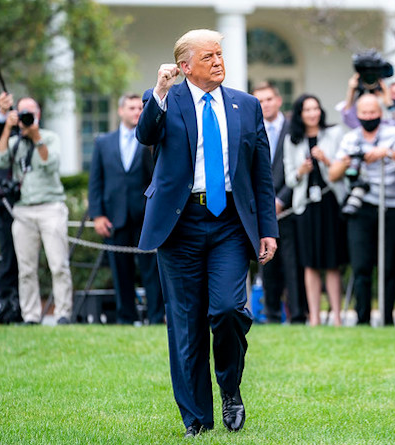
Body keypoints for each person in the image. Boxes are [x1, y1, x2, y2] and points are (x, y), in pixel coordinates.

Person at [135, 29, 278, 436]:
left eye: (220, 54)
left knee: (229, 310)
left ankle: (230, 389)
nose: (218, 61)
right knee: (186, 324)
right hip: (179, 226)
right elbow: (145, 135)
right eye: (208, 56)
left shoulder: (246, 106)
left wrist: (267, 229)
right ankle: (196, 418)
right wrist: (159, 91)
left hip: (230, 223)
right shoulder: (164, 100)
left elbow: (260, 174)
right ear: (184, 67)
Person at [329, 94, 395, 326]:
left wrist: (386, 153)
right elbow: (333, 174)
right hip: (360, 204)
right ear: (357, 115)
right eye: (363, 113)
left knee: (388, 266)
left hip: (391, 206)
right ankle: (362, 318)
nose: (368, 117)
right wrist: (346, 161)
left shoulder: (394, 135)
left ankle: (386, 319)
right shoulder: (351, 138)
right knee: (361, 265)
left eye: (372, 112)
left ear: (380, 113)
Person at [0, 96, 73, 325]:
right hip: (23, 210)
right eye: (22, 113)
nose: (26, 117)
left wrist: (36, 137)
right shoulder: (15, 141)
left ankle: (63, 314)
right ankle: (30, 316)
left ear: (38, 114)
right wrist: (8, 128)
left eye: (30, 113)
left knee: (58, 265)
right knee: (26, 269)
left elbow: (50, 163)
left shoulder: (49, 137)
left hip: (51, 208)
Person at [88, 93, 164, 325]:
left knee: (152, 271)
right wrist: (97, 215)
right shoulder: (103, 143)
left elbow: (158, 178)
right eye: (131, 108)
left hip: (145, 216)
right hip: (115, 217)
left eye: (139, 109)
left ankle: (156, 317)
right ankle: (125, 318)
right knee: (120, 272)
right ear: (120, 111)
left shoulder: (151, 140)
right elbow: (96, 181)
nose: (136, 112)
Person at [283, 94, 348, 326]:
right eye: (307, 110)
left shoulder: (334, 133)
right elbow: (290, 179)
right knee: (309, 263)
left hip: (330, 202)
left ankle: (338, 317)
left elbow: (343, 169)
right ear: (300, 114)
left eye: (316, 109)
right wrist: (301, 171)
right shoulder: (292, 140)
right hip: (305, 206)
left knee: (332, 261)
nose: (312, 113)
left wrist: (326, 160)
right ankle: (314, 317)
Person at [252, 82, 307, 324]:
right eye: (260, 101)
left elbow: (298, 167)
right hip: (261, 209)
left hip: (290, 206)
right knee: (267, 263)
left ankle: (296, 315)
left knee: (292, 263)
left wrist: (281, 199)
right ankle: (272, 314)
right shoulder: (251, 128)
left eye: (269, 99)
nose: (265, 104)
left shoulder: (292, 128)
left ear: (278, 101)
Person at [0, 92, 19, 304]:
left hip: (30, 204)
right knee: (8, 254)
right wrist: (4, 116)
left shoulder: (37, 135)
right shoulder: (7, 132)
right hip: (5, 204)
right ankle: (5, 300)